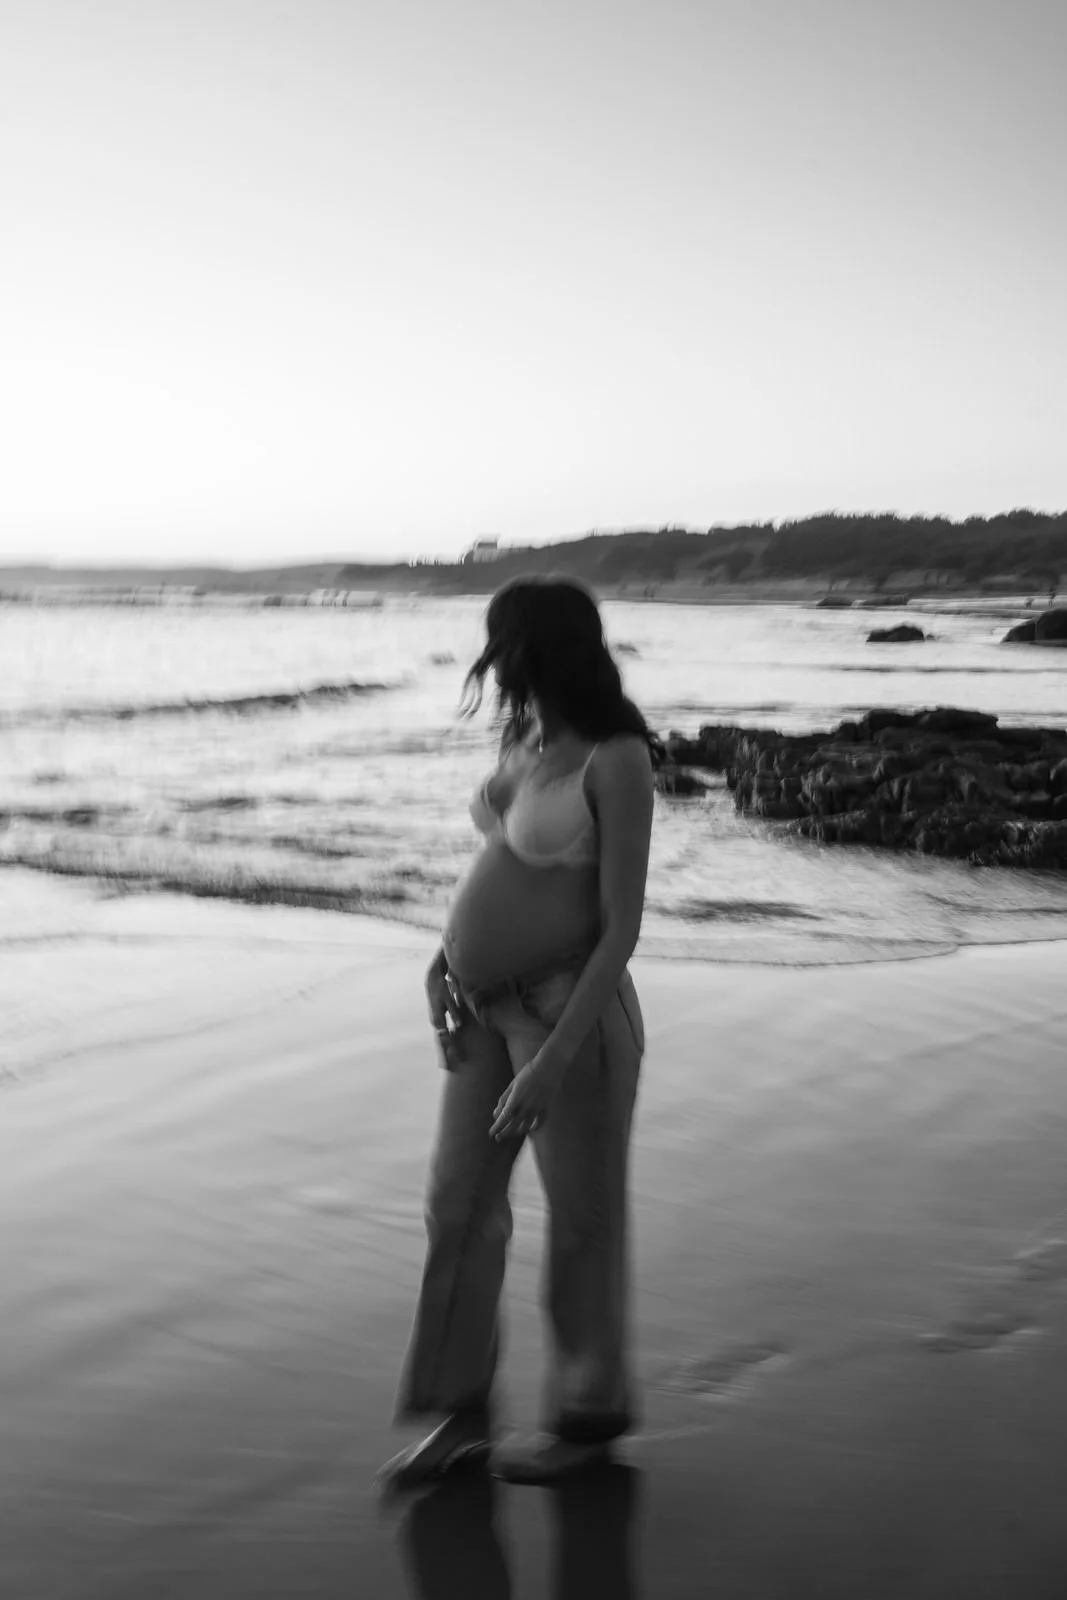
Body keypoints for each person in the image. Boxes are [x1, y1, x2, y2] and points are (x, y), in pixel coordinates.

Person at [380, 575, 659, 1488]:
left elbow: (620, 928)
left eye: (501, 642)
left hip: (566, 1018)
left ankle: (588, 1422)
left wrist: (553, 1061)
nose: (491, 661)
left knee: (581, 1223)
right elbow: (500, 859)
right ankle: (458, 1417)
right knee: (457, 1205)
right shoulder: (524, 738)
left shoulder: (616, 758)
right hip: (480, 1010)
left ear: (538, 647)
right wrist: (443, 961)